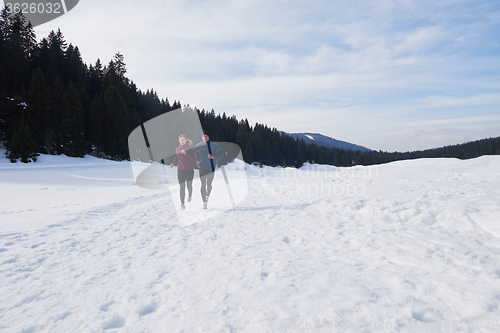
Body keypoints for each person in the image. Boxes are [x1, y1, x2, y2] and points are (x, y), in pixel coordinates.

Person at [194, 131, 224, 209]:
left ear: (209, 137)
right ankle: (204, 202)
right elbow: (195, 154)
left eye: (206, 136)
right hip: (202, 167)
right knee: (203, 184)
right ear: (202, 137)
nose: (205, 137)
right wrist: (197, 160)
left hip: (211, 168)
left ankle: (207, 196)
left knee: (209, 185)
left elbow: (222, 154)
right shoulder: (198, 146)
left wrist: (213, 157)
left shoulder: (214, 146)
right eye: (204, 136)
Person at [170, 134, 196, 210]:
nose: (182, 141)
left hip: (189, 170)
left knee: (189, 186)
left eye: (183, 139)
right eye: (181, 140)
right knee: (182, 187)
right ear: (179, 141)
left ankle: (190, 194)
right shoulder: (177, 149)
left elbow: (194, 158)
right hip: (180, 170)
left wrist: (186, 153)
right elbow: (177, 157)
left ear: (186, 140)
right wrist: (173, 163)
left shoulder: (190, 148)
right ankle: (182, 203)